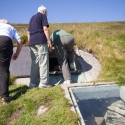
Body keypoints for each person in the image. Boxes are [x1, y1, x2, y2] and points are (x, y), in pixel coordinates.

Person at [27, 5, 52, 88]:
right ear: (44, 11)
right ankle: (43, 83)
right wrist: (49, 41)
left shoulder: (32, 18)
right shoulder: (43, 16)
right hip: (41, 41)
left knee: (35, 62)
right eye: (46, 12)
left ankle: (32, 83)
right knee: (43, 62)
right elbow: (45, 29)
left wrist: (29, 43)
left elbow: (28, 32)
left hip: (32, 42)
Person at [0, 19, 22, 105]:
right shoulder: (10, 27)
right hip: (5, 42)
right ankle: (5, 97)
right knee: (4, 69)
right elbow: (19, 41)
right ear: (7, 23)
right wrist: (16, 53)